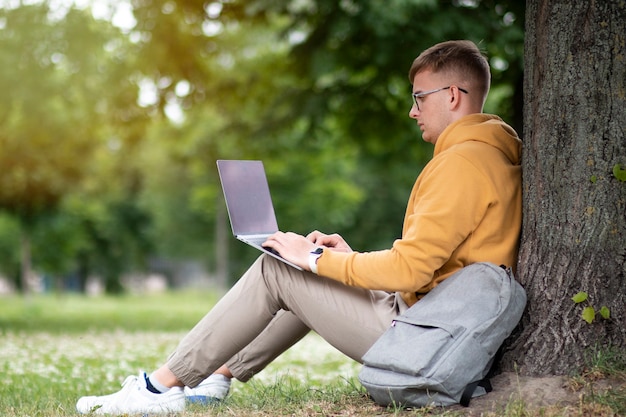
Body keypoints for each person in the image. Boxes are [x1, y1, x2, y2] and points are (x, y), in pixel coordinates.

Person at [76, 39, 522, 415]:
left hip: (422, 337)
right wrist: (341, 258)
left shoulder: (461, 163)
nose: (412, 111)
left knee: (280, 269)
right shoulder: (489, 153)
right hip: (430, 317)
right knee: (301, 269)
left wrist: (313, 258)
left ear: (453, 95)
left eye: (419, 98)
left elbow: (410, 271)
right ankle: (215, 375)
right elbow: (436, 264)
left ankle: (158, 388)